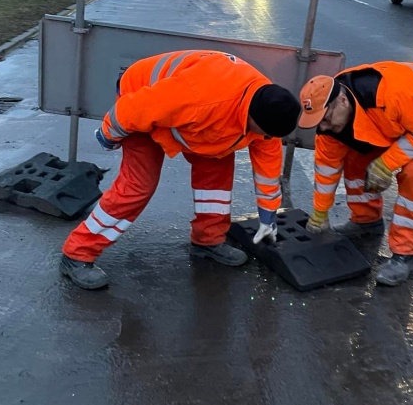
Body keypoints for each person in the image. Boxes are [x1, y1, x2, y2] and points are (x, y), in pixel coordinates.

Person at [60, 50, 303, 290]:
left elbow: (267, 171)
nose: (265, 138)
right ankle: (77, 254)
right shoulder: (198, 96)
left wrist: (268, 218)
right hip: (141, 97)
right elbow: (132, 110)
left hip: (203, 121)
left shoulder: (270, 112)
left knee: (217, 174)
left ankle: (208, 241)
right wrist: (108, 136)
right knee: (138, 185)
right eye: (264, 133)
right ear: (252, 117)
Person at [296, 62, 413, 287]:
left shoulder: (390, 94)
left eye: (326, 118)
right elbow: (326, 169)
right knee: (355, 159)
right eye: (318, 122)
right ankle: (366, 221)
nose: (325, 126)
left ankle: (405, 256)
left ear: (342, 100)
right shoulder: (329, 127)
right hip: (395, 121)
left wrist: (385, 163)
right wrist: (320, 212)